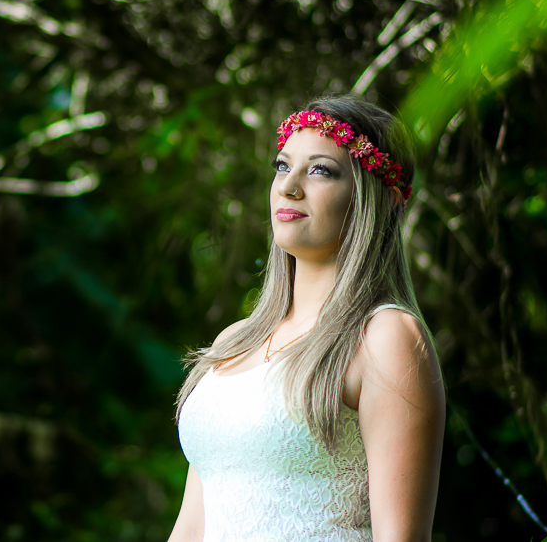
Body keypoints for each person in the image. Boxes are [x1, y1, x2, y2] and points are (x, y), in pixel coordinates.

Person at [168, 95, 446, 542]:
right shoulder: (233, 342)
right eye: (282, 166)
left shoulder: (387, 337)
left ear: (384, 200)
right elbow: (192, 526)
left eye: (320, 170)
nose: (288, 186)